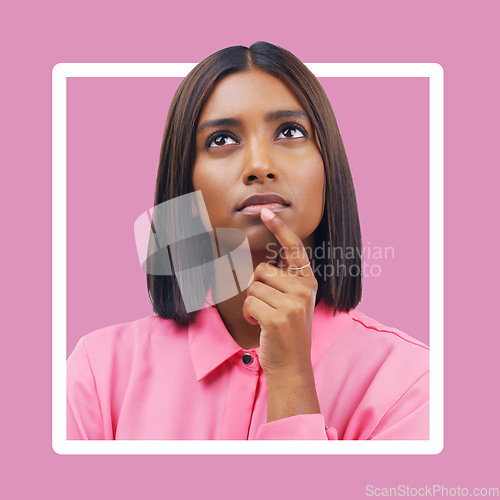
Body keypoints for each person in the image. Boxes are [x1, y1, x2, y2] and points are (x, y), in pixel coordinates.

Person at [67, 42, 429, 440]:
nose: (259, 166)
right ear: (184, 183)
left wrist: (292, 378)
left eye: (290, 131)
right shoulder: (98, 372)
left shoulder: (412, 386)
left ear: (330, 166)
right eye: (221, 140)